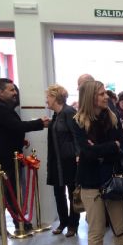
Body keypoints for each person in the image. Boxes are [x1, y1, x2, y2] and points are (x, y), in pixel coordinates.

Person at [72, 80, 123, 245]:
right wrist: (111, 146)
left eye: (106, 93)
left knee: (120, 228)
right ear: (90, 97)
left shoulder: (112, 118)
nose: (106, 97)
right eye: (101, 94)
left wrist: (99, 149)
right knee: (96, 231)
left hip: (114, 180)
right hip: (90, 182)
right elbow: (86, 153)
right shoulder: (78, 121)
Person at [0, 78, 49, 236]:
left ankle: (19, 222)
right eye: (11, 90)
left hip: (8, 158)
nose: (15, 93)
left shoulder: (4, 107)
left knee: (13, 192)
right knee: (0, 193)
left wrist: (19, 140)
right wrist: (40, 123)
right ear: (0, 92)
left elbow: (7, 130)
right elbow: (16, 126)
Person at [45, 84, 80, 237]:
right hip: (56, 160)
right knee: (58, 193)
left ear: (54, 97)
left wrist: (77, 155)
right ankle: (63, 221)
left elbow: (76, 135)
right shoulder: (56, 114)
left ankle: (73, 224)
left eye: (48, 96)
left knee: (73, 193)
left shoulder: (69, 112)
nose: (46, 100)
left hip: (68, 160)